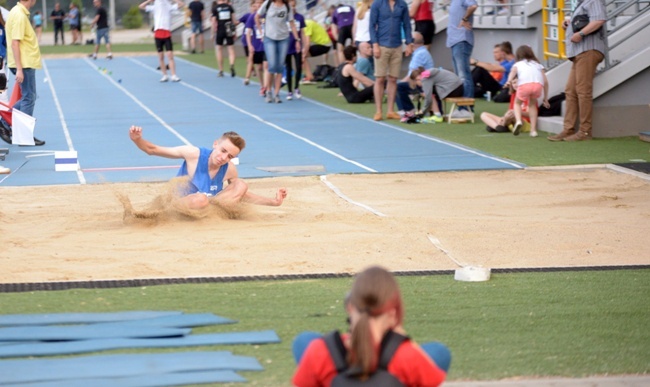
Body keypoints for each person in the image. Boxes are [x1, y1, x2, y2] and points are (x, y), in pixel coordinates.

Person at [292, 265, 448, 386]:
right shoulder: (408, 356)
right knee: (439, 352)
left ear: (350, 307)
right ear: (392, 314)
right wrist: (400, 337)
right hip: (401, 366)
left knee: (305, 340)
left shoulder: (320, 351)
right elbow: (431, 379)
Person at [128, 126, 287, 209]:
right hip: (179, 207)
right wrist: (137, 140)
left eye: (230, 156)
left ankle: (213, 210)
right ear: (215, 144)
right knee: (200, 199)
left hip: (207, 208)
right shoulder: (193, 154)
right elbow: (153, 150)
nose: (224, 158)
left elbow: (241, 195)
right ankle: (209, 207)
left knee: (241, 185)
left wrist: (274, 202)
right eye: (223, 151)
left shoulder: (229, 168)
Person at [548, 0, 606, 142]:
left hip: (588, 50)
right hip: (581, 52)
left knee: (582, 90)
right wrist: (569, 25)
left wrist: (581, 33)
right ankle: (568, 130)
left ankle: (585, 132)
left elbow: (599, 20)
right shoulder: (581, 3)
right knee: (570, 90)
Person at [1, 0, 45, 146]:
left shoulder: (17, 12)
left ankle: (6, 124)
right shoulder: (19, 14)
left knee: (29, 96)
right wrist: (19, 68)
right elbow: (15, 42)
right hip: (23, 64)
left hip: (24, 62)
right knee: (28, 97)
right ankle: (22, 134)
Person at [369, 0, 414, 121]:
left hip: (397, 45)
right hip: (381, 44)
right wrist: (375, 45)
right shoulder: (377, 4)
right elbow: (372, 25)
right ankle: (378, 111)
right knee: (380, 78)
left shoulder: (402, 4)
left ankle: (390, 110)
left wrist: (409, 43)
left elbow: (406, 24)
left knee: (393, 78)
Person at [255, 0, 300, 103]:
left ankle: (277, 94)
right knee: (272, 65)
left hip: (283, 38)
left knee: (279, 67)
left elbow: (292, 23)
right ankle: (269, 91)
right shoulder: (268, 3)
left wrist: (297, 40)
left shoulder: (287, 6)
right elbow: (257, 16)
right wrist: (261, 32)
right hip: (269, 38)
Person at [504, 45, 549, 137]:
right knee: (532, 105)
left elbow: (512, 73)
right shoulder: (538, 65)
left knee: (517, 103)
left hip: (525, 85)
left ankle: (519, 121)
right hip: (537, 86)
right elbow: (545, 82)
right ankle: (533, 130)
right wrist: (545, 98)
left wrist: (508, 81)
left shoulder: (518, 64)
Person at [393, 32, 434, 122]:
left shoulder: (420, 54)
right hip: (424, 82)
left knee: (397, 86)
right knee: (398, 84)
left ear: (412, 43)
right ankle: (406, 110)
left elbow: (412, 75)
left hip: (422, 83)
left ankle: (408, 110)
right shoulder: (421, 52)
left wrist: (398, 83)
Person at [446, 0, 477, 115]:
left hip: (461, 40)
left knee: (464, 75)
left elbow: (473, 5)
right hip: (455, 41)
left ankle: (466, 108)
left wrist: (464, 19)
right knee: (459, 76)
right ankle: (461, 107)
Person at [140, 0, 183, 82]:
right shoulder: (155, 7)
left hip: (166, 33)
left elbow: (181, 4)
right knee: (161, 56)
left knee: (170, 55)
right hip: (158, 34)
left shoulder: (169, 6)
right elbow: (141, 6)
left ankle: (174, 75)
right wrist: (149, 1)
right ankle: (164, 75)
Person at [245, 0, 267, 94]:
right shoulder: (252, 16)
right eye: (257, 3)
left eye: (260, 3)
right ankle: (262, 85)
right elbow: (248, 32)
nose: (258, 5)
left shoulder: (267, 15)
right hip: (256, 45)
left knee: (267, 66)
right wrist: (250, 45)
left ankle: (266, 87)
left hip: (267, 44)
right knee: (259, 67)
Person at [285, 0, 305, 100]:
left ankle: (296, 87)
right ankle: (289, 91)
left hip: (297, 45)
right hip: (287, 46)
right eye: (290, 5)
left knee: (299, 67)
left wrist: (304, 46)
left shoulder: (300, 17)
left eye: (293, 5)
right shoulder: (284, 17)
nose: (292, 7)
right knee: (288, 68)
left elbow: (303, 32)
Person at [301, 19, 331, 84]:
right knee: (302, 54)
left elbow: (307, 43)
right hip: (324, 44)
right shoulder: (306, 23)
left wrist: (303, 54)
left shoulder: (306, 25)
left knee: (302, 55)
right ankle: (309, 76)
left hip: (324, 45)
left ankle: (309, 77)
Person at [212, 0, 237, 77]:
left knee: (219, 49)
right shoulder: (229, 7)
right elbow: (234, 21)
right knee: (231, 49)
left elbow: (213, 22)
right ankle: (232, 65)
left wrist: (213, 33)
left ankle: (221, 70)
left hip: (220, 30)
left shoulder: (215, 8)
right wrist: (235, 32)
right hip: (229, 30)